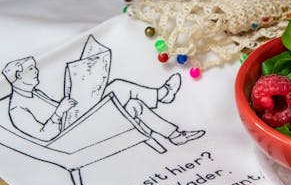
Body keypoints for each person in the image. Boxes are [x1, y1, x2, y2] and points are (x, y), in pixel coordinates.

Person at [2, 56, 204, 145]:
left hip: (78, 122)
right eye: (31, 69)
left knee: (133, 105)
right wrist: (59, 112)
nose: (36, 71)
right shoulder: (17, 110)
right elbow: (45, 137)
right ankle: (161, 96)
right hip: (72, 136)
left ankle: (174, 135)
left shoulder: (35, 93)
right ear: (17, 77)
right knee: (116, 87)